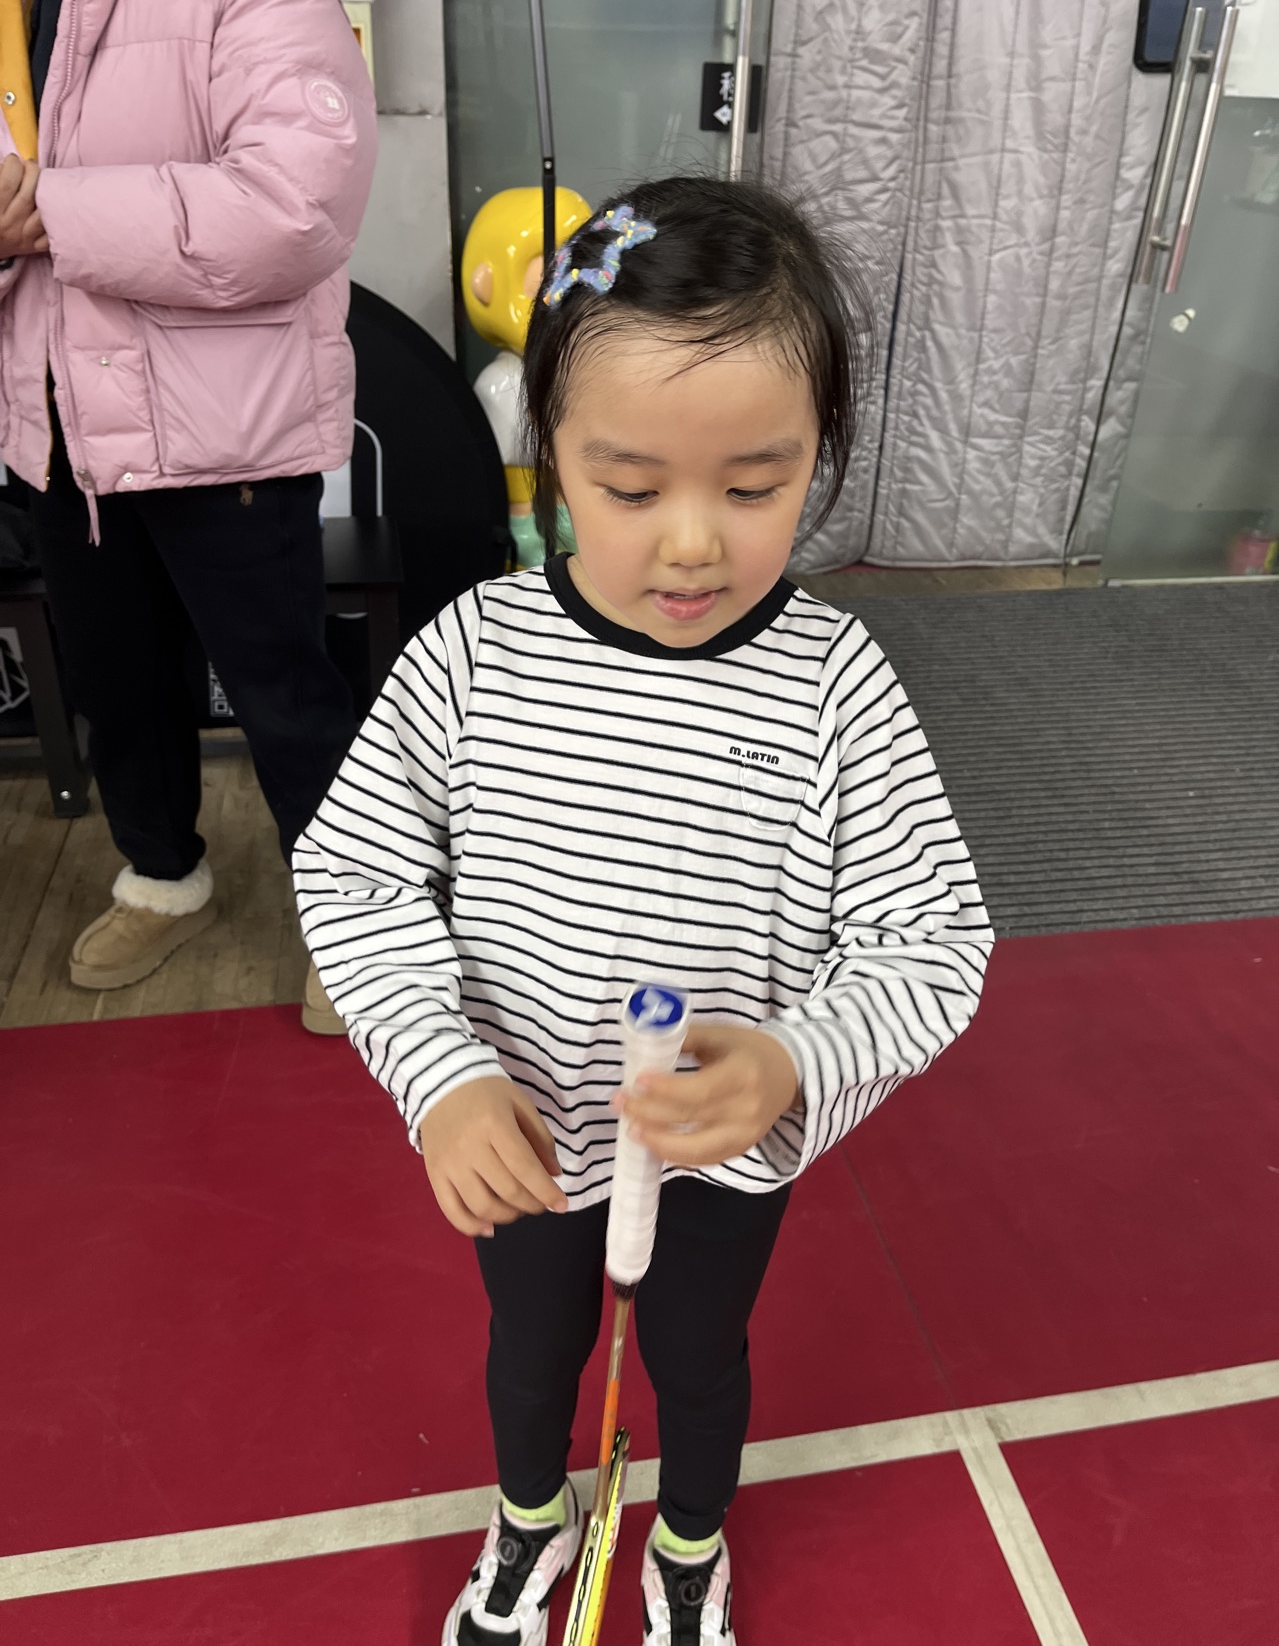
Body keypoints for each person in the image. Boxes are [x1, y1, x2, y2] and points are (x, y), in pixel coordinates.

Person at [294, 178, 993, 1644]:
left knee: (696, 1357)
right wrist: (441, 1077)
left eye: (752, 487)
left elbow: (933, 941)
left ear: (818, 456)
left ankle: (687, 1541)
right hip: (526, 1128)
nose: (690, 545)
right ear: (546, 450)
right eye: (628, 488)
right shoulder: (473, 652)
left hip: (719, 1154)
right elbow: (352, 873)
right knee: (530, 1350)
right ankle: (527, 1521)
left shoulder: (835, 684)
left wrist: (795, 1055)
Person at [0, 0, 376, 1033]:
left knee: (281, 690)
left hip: (228, 432)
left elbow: (293, 206)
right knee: (115, 680)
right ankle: (161, 875)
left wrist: (49, 213)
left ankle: (359, 921)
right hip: (61, 423)